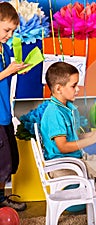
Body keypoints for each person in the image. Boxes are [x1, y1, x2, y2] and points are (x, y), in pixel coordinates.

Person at [40, 62, 96, 219]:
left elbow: (76, 138)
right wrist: (94, 140)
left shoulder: (67, 108)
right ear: (58, 88)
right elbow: (63, 147)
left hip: (75, 158)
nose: (78, 89)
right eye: (74, 86)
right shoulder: (54, 113)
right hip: (63, 163)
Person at [0, 2, 30, 211]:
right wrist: (8, 71)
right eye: (6, 30)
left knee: (7, 161)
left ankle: (1, 197)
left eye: (12, 31)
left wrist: (16, 71)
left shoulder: (3, 48)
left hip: (4, 112)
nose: (9, 35)